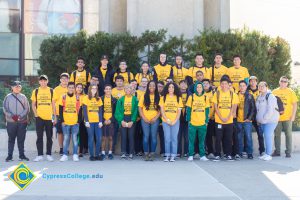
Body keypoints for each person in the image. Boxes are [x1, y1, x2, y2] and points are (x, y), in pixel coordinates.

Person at [212, 76, 239, 161]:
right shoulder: (217, 94)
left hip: (229, 121)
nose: (224, 85)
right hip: (219, 121)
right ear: (220, 85)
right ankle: (217, 155)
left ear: (228, 85)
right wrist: (221, 117)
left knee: (228, 138)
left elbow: (234, 107)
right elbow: (216, 107)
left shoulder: (233, 94)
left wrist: (228, 117)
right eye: (222, 84)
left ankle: (228, 155)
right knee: (218, 138)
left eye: (225, 84)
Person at [3, 81, 30, 162]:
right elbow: (5, 108)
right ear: (12, 87)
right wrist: (12, 116)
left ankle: (22, 155)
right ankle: (9, 156)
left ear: (20, 88)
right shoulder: (8, 97)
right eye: (15, 86)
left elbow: (27, 108)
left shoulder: (23, 97)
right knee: (11, 139)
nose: (17, 88)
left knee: (21, 140)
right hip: (11, 122)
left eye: (19, 86)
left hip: (22, 122)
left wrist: (20, 116)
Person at [31, 75, 55, 162]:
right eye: (41, 81)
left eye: (45, 80)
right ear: (39, 82)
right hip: (39, 117)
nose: (43, 82)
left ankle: (49, 154)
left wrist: (54, 116)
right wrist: (36, 114)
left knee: (49, 137)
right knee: (39, 137)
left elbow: (53, 105)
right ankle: (40, 155)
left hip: (49, 117)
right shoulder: (36, 91)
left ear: (47, 81)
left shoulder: (51, 90)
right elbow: (33, 104)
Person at [272, 76, 298, 158]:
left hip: (288, 117)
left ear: (287, 83)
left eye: (285, 81)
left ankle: (288, 152)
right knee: (277, 135)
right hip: (277, 117)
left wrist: (293, 116)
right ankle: (277, 151)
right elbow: (271, 104)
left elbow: (295, 104)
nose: (283, 83)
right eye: (282, 81)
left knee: (288, 135)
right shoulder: (274, 91)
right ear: (279, 82)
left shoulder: (290, 92)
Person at [186, 82, 210, 161]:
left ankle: (202, 155)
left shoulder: (205, 97)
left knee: (202, 141)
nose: (199, 88)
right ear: (195, 88)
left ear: (202, 88)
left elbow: (207, 110)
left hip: (202, 123)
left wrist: (206, 121)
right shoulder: (191, 97)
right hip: (193, 123)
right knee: (191, 141)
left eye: (200, 87)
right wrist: (188, 120)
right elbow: (188, 109)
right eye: (197, 87)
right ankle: (190, 155)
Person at [159, 82, 183, 162]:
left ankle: (173, 155)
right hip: (166, 121)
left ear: (175, 88)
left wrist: (175, 121)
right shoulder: (163, 97)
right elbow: (162, 111)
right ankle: (167, 155)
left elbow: (179, 112)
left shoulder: (178, 98)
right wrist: (166, 119)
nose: (171, 89)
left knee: (174, 139)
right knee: (167, 138)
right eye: (169, 87)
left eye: (173, 87)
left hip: (175, 121)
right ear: (167, 88)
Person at [256, 82, 279, 161]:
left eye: (263, 86)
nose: (261, 87)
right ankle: (266, 153)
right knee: (265, 137)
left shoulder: (270, 96)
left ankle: (269, 154)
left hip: (270, 121)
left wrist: (264, 118)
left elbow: (270, 110)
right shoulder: (259, 96)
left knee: (268, 136)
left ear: (267, 87)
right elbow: (258, 109)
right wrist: (258, 119)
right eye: (259, 86)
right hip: (262, 121)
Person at [59, 82, 82, 162]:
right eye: (70, 87)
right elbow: (60, 109)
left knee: (75, 139)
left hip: (75, 122)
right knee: (66, 139)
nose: (71, 89)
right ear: (67, 88)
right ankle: (65, 155)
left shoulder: (78, 98)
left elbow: (80, 110)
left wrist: (78, 121)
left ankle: (75, 154)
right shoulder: (63, 97)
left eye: (73, 87)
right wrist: (62, 120)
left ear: (74, 89)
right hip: (66, 122)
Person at [115, 84, 139, 159]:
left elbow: (136, 111)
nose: (128, 90)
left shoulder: (135, 99)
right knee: (124, 136)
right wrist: (121, 120)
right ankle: (123, 152)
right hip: (123, 118)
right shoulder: (121, 99)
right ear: (124, 90)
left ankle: (131, 152)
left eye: (130, 89)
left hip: (131, 118)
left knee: (131, 136)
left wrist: (132, 121)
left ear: (132, 90)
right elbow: (117, 111)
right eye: (127, 89)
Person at [139, 80, 161, 161]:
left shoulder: (159, 96)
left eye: (154, 85)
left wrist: (155, 118)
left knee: (153, 137)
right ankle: (146, 153)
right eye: (150, 85)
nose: (152, 87)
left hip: (155, 120)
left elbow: (160, 109)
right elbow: (140, 108)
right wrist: (144, 118)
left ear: (156, 87)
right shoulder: (144, 96)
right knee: (146, 136)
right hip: (145, 120)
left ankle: (152, 153)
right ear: (148, 87)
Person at [83, 85, 103, 161]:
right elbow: (84, 111)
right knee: (91, 138)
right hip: (90, 122)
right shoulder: (86, 98)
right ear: (90, 89)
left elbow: (100, 111)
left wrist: (100, 121)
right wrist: (87, 121)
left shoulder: (99, 99)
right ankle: (91, 155)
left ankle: (97, 154)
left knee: (99, 138)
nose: (94, 90)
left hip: (97, 122)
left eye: (95, 88)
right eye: (92, 88)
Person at [236, 80, 256, 159]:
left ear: (246, 86)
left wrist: (249, 118)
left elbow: (253, 108)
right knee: (239, 137)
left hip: (247, 121)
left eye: (243, 85)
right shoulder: (235, 95)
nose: (242, 87)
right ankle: (240, 153)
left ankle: (249, 153)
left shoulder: (250, 96)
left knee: (248, 137)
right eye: (240, 85)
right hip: (238, 120)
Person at [247, 76, 265, 156]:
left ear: (256, 82)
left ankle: (262, 150)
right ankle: (246, 151)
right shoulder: (246, 90)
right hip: (249, 115)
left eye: (254, 81)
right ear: (249, 82)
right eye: (251, 81)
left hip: (258, 116)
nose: (253, 82)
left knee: (260, 134)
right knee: (247, 134)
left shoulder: (261, 90)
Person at [53, 72, 69, 156]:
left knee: (68, 132)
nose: (64, 80)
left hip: (69, 114)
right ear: (60, 80)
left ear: (68, 80)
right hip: (59, 114)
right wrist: (54, 116)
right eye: (63, 79)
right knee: (60, 132)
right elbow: (53, 103)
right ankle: (61, 149)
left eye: (66, 79)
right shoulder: (56, 89)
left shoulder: (70, 88)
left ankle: (66, 148)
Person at [100, 84, 117, 160]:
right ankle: (103, 152)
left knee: (110, 137)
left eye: (109, 89)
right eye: (106, 89)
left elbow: (116, 112)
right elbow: (99, 111)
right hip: (103, 121)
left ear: (111, 90)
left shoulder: (114, 100)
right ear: (104, 90)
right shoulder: (100, 99)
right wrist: (103, 120)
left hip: (111, 121)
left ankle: (110, 152)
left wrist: (111, 120)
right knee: (103, 138)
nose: (108, 90)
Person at [135, 77, 148, 156]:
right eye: (142, 81)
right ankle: (137, 150)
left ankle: (144, 150)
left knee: (145, 134)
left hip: (146, 116)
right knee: (137, 134)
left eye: (146, 81)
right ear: (140, 82)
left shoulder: (149, 92)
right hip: (137, 116)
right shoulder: (136, 92)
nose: (144, 83)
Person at [202, 79, 216, 159]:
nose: (205, 85)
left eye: (207, 83)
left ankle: (210, 151)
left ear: (210, 84)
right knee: (201, 136)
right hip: (201, 119)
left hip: (211, 118)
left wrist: (211, 116)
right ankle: (201, 152)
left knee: (209, 136)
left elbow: (215, 105)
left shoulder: (213, 93)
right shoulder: (199, 93)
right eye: (203, 83)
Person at [76, 83, 88, 157]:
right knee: (77, 134)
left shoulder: (85, 96)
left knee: (84, 133)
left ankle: (84, 149)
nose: (79, 89)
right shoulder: (73, 96)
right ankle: (79, 150)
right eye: (78, 87)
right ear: (75, 88)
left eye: (81, 87)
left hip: (83, 117)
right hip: (74, 117)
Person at [177, 80, 189, 157]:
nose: (183, 85)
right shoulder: (176, 94)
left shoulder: (190, 95)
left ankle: (186, 152)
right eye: (182, 84)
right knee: (178, 136)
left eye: (185, 84)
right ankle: (178, 152)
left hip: (187, 119)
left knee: (187, 137)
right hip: (178, 118)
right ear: (179, 85)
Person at [157, 81, 165, 156]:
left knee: (163, 136)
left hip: (162, 119)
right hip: (153, 118)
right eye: (158, 86)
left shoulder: (165, 96)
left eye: (161, 86)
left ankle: (163, 151)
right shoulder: (154, 95)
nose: (159, 88)